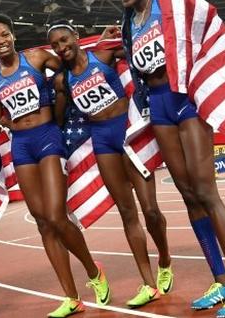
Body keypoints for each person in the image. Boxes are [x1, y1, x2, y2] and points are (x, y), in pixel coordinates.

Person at [109, 0, 225, 317]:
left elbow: (209, 24)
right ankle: (220, 280)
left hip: (186, 98)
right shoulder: (129, 23)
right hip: (159, 107)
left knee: (207, 191)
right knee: (189, 195)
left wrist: (204, 78)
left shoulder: (173, 1)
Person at [0, 13, 110, 318]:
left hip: (48, 136)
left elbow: (72, 70)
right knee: (42, 221)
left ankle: (94, 271)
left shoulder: (37, 57)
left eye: (4, 35)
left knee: (56, 216)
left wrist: (64, 89)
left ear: (13, 36)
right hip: (21, 145)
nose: (0, 41)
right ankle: (71, 297)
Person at [47, 19, 172, 308]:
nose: (62, 47)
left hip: (128, 132)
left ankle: (164, 260)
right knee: (128, 214)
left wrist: (107, 40)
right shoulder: (62, 81)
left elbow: (135, 50)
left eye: (65, 40)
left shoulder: (102, 56)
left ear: (76, 36)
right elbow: (58, 118)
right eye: (55, 45)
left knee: (150, 210)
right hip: (101, 141)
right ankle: (148, 284)